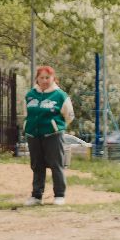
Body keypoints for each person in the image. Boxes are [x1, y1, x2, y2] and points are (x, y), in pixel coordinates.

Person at [24, 66, 74, 205]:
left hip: (53, 135)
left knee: (56, 164)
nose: (45, 80)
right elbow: (26, 113)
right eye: (42, 78)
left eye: (48, 77)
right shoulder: (30, 95)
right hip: (33, 134)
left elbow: (69, 116)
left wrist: (56, 126)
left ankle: (59, 195)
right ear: (37, 79)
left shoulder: (60, 95)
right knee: (37, 165)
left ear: (53, 78)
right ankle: (36, 196)